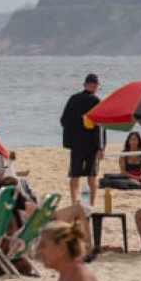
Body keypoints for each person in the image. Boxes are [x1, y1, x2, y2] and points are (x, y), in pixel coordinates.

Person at [60, 72, 105, 206]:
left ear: (85, 85)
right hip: (92, 144)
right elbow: (100, 125)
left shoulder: (73, 99)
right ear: (95, 86)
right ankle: (91, 204)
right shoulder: (96, 101)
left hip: (76, 144)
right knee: (92, 175)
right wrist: (101, 147)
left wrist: (71, 137)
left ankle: (74, 202)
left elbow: (64, 120)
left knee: (75, 174)